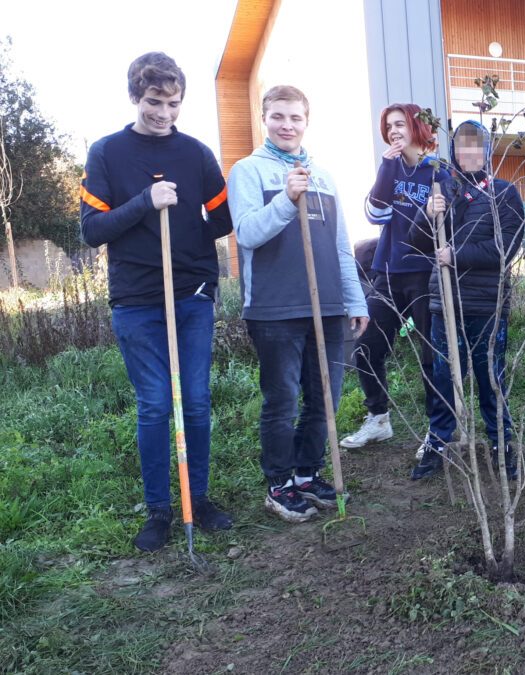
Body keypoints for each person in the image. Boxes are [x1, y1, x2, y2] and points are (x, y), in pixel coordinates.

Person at [80, 52, 234, 552]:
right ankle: (159, 511)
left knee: (194, 400)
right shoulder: (107, 153)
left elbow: (223, 219)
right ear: (134, 97)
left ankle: (201, 499)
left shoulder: (196, 154)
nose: (163, 112)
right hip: (137, 301)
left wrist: (193, 232)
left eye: (172, 103)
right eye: (153, 101)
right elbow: (91, 230)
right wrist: (146, 202)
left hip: (190, 294)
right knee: (153, 406)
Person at [227, 85, 369, 523]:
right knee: (282, 399)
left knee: (325, 397)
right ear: (264, 118)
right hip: (276, 309)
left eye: (296, 118)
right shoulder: (248, 171)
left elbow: (341, 246)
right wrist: (287, 200)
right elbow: (248, 233)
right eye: (278, 117)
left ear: (307, 121)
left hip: (326, 306)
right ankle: (279, 483)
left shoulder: (323, 176)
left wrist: (354, 297)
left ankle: (307, 474)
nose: (287, 125)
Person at [408, 121, 525, 480]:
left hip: (487, 306)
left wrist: (455, 255)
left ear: (487, 152)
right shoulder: (443, 192)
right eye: (462, 146)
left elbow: (505, 248)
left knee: (491, 378)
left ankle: (499, 441)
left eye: (476, 146)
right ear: (455, 151)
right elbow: (417, 243)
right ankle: (438, 441)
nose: (469, 152)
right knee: (443, 377)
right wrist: (427, 214)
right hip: (446, 303)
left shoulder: (504, 194)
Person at [342, 103, 450, 453]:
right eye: (389, 126)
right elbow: (376, 213)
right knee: (367, 345)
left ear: (417, 127)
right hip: (388, 272)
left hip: (424, 275)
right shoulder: (390, 168)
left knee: (430, 354)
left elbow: (447, 226)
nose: (393, 131)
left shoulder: (438, 172)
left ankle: (438, 430)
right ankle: (378, 419)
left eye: (400, 124)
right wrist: (388, 167)